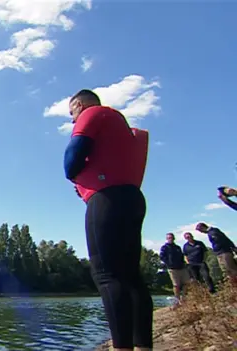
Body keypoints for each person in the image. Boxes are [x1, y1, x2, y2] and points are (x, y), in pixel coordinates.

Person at [63, 89, 152, 351]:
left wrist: (75, 177)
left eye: (71, 113)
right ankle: (144, 346)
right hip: (132, 198)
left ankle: (121, 347)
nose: (72, 120)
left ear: (79, 104)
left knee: (107, 275)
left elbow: (71, 160)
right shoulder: (121, 129)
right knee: (131, 276)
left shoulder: (92, 114)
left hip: (106, 200)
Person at [159, 233, 189, 302]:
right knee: (176, 285)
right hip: (172, 269)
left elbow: (182, 256)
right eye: (169, 238)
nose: (170, 239)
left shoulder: (177, 247)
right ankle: (177, 300)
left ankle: (183, 298)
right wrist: (169, 263)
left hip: (181, 267)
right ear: (167, 239)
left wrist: (184, 263)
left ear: (174, 238)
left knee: (187, 283)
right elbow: (162, 257)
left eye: (171, 237)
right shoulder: (164, 247)